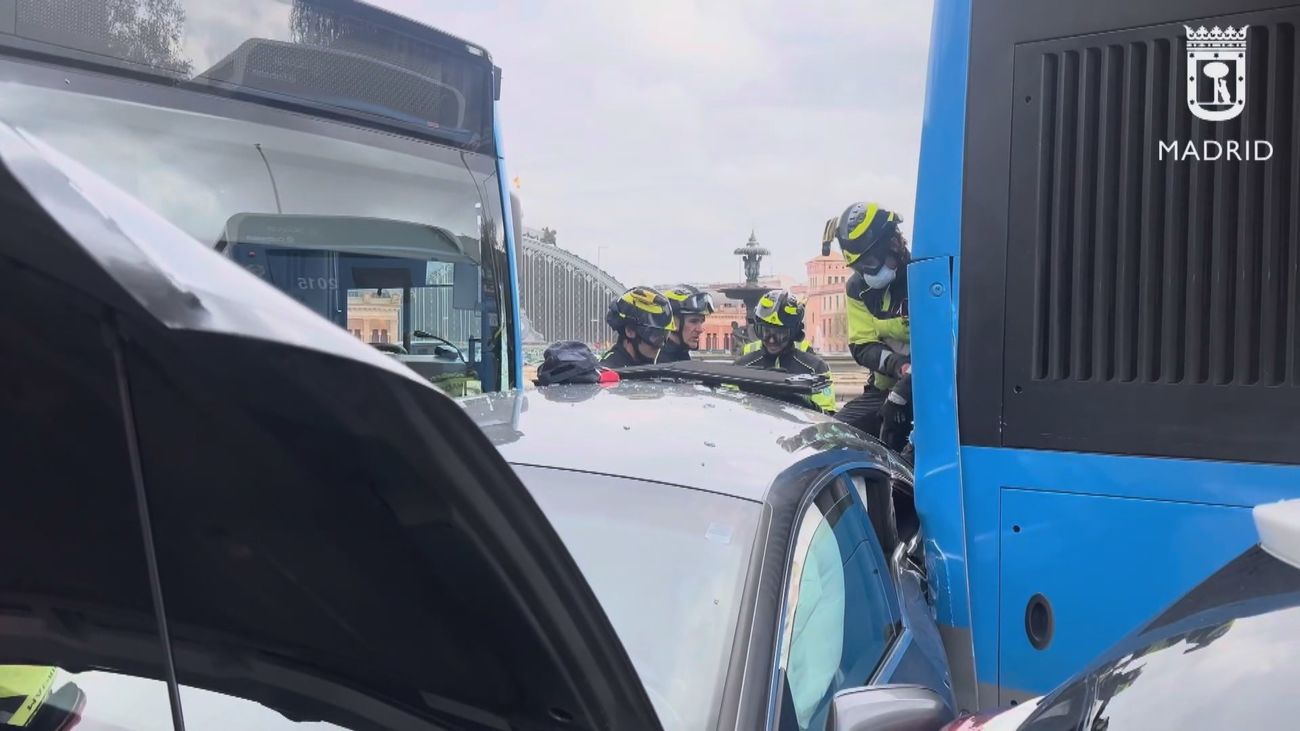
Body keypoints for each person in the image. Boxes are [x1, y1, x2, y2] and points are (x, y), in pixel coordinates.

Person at [827, 201, 913, 452]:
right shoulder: (858, 288)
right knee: (830, 437)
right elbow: (863, 345)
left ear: (894, 243)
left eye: (870, 263)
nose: (866, 273)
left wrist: (907, 386)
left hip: (934, 392)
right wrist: (899, 366)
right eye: (859, 267)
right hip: (884, 390)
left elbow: (943, 342)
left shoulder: (924, 275)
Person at [734, 290, 837, 413]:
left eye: (779, 334)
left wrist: (801, 402)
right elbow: (729, 409)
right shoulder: (742, 366)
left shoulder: (816, 368)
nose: (771, 340)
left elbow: (828, 416)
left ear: (794, 333)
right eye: (765, 332)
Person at [599, 286, 677, 368]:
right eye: (655, 335)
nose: (661, 345)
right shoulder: (608, 370)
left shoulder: (644, 368)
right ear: (630, 331)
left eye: (665, 335)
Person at [659, 284, 715, 362]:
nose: (700, 330)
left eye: (701, 322)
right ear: (672, 322)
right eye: (693, 321)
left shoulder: (680, 357)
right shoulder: (660, 364)